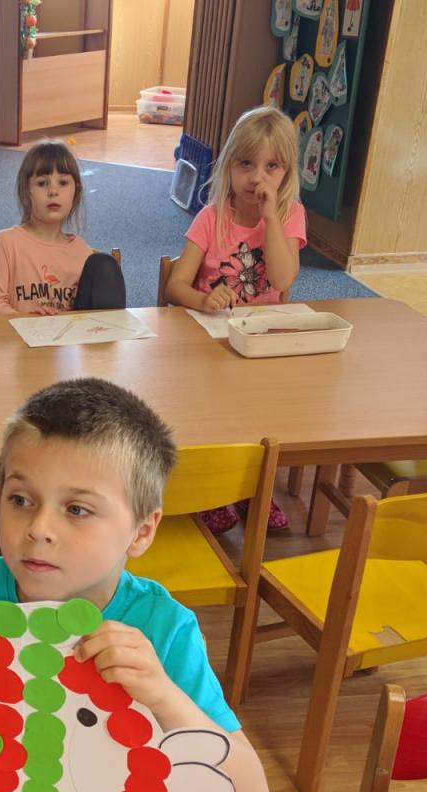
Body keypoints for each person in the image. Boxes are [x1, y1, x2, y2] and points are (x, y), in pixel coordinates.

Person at [0, 378, 271, 792]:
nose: (39, 528)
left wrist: (163, 696)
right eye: (20, 500)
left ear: (141, 531)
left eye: (77, 509)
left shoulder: (164, 629)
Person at [164, 105, 307, 534]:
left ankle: (252, 492)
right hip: (212, 345)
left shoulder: (289, 215)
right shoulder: (211, 218)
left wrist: (270, 219)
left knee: (262, 418)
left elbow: (282, 280)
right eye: (246, 164)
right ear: (229, 165)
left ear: (286, 172)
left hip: (262, 344)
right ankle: (213, 490)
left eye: (271, 167)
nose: (256, 178)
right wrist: (204, 299)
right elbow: (176, 286)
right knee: (214, 413)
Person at [0, 139, 125, 316]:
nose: (53, 191)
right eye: (42, 183)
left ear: (75, 192)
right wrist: (27, 321)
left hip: (69, 334)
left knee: (104, 265)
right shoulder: (6, 242)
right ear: (25, 192)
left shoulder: (84, 253)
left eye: (63, 183)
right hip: (16, 333)